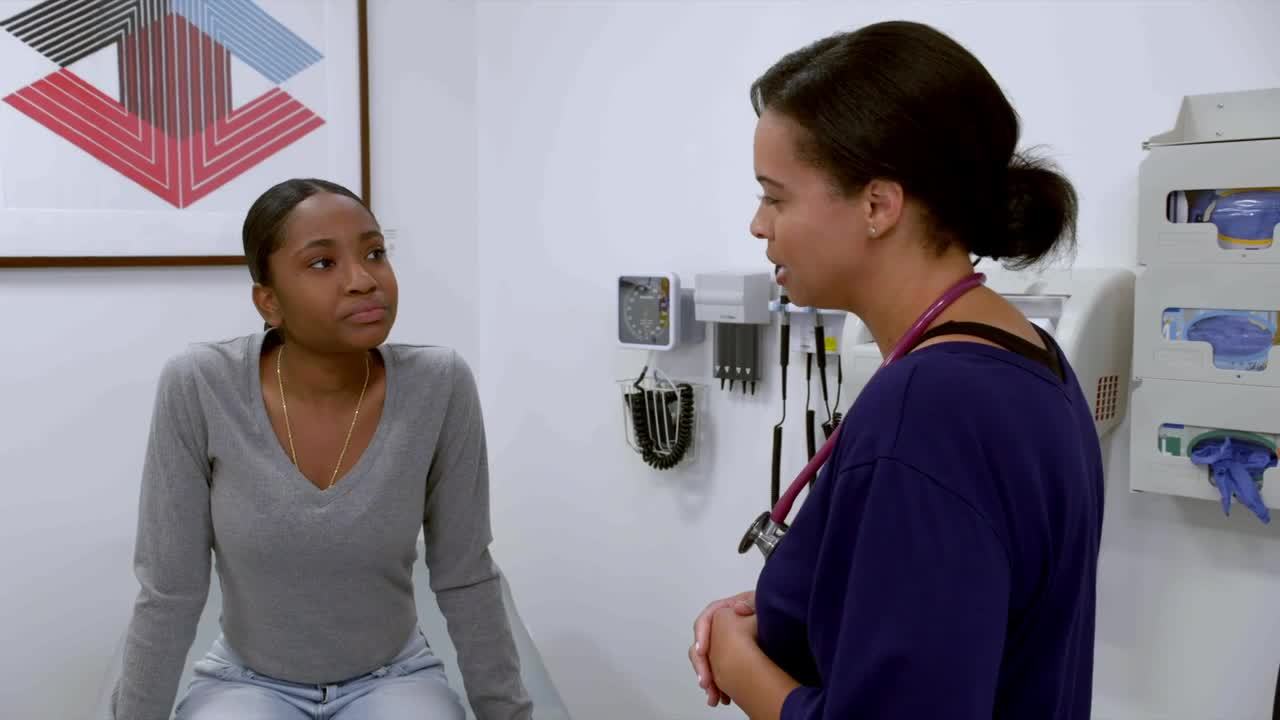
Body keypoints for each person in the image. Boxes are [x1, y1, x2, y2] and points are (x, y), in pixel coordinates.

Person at [688, 21, 1103, 720]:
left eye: (776, 197)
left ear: (878, 205)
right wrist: (798, 607)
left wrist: (735, 660)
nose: (759, 225)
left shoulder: (930, 406)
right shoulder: (1028, 355)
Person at [110, 178, 533, 720]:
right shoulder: (200, 385)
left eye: (374, 253)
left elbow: (465, 573)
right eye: (322, 263)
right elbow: (170, 589)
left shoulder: (439, 384)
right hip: (246, 681)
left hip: (394, 676)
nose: (364, 280)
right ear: (269, 301)